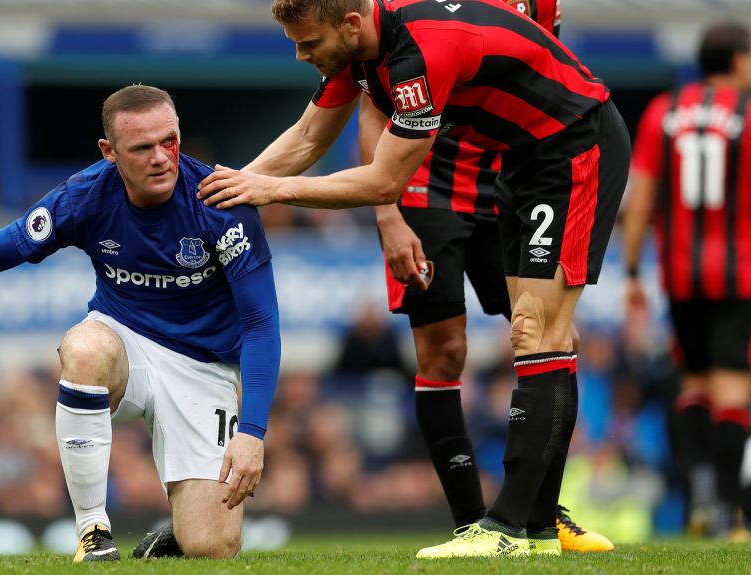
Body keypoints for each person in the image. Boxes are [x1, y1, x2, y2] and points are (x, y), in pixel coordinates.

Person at [197, 0, 630, 558]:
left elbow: (383, 181)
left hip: (572, 144)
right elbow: (307, 139)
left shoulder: (418, 53)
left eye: (307, 43)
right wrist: (224, 190)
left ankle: (507, 529)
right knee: (529, 335)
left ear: (350, 25)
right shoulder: (361, 54)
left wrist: (272, 191)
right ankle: (536, 529)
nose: (300, 54)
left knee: (537, 332)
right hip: (525, 156)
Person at [0, 85, 281, 562]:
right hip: (124, 343)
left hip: (204, 367)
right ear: (109, 153)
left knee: (213, 547)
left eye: (169, 141)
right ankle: (93, 531)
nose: (161, 158)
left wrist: (252, 432)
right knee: (83, 349)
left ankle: (175, 533)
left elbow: (260, 322)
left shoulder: (221, 203)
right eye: (141, 148)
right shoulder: (85, 196)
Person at [355, 0, 610, 554]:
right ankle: (474, 521)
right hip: (423, 186)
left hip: (514, 175)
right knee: (444, 350)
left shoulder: (540, 3)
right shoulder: (399, 14)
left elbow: (545, 66)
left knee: (552, 331)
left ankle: (538, 512)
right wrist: (387, 211)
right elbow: (371, 101)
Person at [625, 21, 751, 540]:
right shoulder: (747, 115)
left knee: (693, 385)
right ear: (738, 61)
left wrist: (632, 269)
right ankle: (727, 510)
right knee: (733, 391)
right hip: (738, 274)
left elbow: (642, 195)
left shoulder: (664, 111)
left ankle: (698, 499)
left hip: (678, 275)